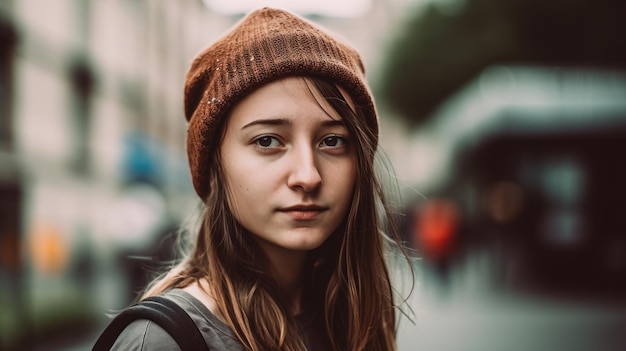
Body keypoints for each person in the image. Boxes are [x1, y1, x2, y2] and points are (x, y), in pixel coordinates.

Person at [102, 7, 413, 351]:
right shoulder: (161, 342)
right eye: (267, 141)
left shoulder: (351, 318)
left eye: (332, 141)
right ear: (213, 164)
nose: (308, 176)